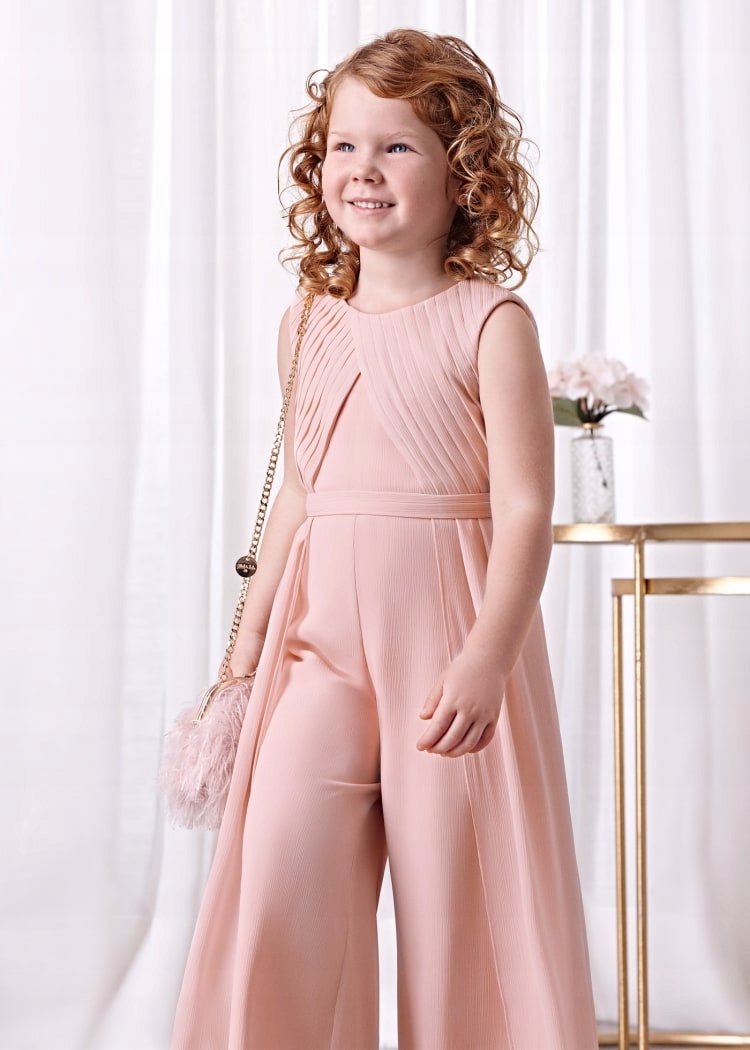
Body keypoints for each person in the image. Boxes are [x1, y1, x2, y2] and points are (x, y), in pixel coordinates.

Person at [171, 27, 598, 1050]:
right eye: (344, 145)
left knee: (468, 909)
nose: (364, 169)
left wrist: (488, 659)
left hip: (450, 651)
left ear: (465, 175)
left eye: (398, 146)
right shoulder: (307, 324)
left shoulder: (492, 323)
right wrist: (241, 670)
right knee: (279, 877)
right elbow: (300, 496)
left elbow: (526, 509)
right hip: (317, 650)